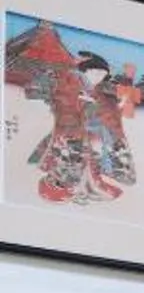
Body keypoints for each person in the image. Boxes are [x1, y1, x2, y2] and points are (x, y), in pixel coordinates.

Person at [26, 50, 134, 204]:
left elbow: (105, 111)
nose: (99, 77)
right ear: (84, 71)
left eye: (102, 75)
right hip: (68, 131)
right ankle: (55, 190)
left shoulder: (94, 91)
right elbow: (60, 100)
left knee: (85, 163)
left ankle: (81, 189)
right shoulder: (69, 83)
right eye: (95, 72)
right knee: (67, 163)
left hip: (84, 133)